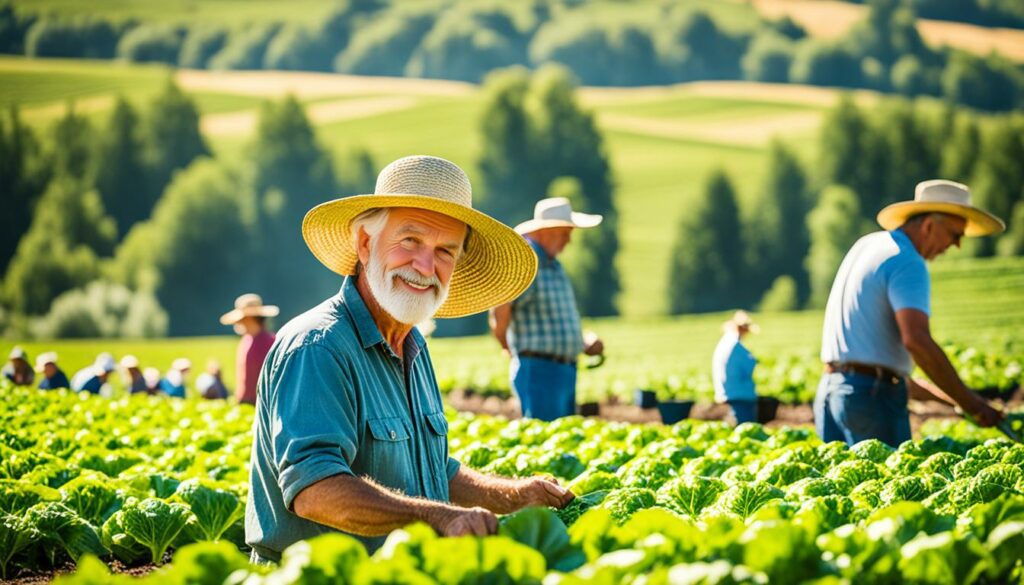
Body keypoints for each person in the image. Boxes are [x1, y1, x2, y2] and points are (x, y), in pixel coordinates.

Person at [246, 155, 572, 563]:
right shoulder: (318, 346)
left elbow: (434, 471)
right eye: (410, 241)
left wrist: (513, 495)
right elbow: (314, 490)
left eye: (445, 251)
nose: (425, 266)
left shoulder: (412, 346)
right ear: (365, 243)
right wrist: (437, 518)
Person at [816, 179, 1004, 446]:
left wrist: (955, 401)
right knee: (886, 484)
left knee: (840, 485)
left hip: (832, 390)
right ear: (929, 225)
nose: (956, 246)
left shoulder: (868, 246)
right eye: (955, 235)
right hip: (871, 399)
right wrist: (972, 403)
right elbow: (917, 340)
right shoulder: (908, 261)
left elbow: (875, 362)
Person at [489, 197, 605, 421]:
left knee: (560, 440)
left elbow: (554, 319)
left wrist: (581, 342)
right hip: (540, 370)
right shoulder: (527, 262)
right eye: (565, 233)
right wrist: (508, 346)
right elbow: (500, 308)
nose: (568, 241)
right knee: (544, 438)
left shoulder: (552, 264)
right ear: (547, 231)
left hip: (560, 370)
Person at [220, 294, 278, 406]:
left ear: (250, 318)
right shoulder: (245, 340)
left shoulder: (270, 342)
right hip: (244, 401)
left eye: (241, 319)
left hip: (263, 402)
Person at [712, 311, 759, 425]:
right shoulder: (734, 345)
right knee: (745, 425)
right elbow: (748, 365)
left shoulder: (726, 342)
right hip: (739, 392)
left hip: (729, 390)